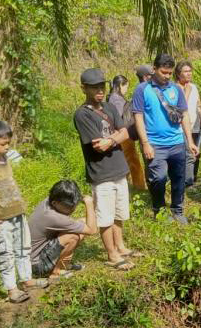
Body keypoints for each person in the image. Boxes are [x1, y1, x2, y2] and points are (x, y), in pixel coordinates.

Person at [0, 119, 47, 304]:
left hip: (17, 213)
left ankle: (26, 280)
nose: (7, 147)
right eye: (3, 144)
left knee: (23, 248)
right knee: (5, 253)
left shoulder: (4, 158)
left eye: (8, 143)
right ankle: (11, 288)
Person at [74, 68, 139, 270]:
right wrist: (115, 138)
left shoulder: (110, 107)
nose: (100, 90)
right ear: (84, 88)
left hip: (120, 167)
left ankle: (120, 247)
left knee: (120, 213)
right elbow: (97, 146)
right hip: (101, 172)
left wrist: (110, 139)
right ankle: (111, 254)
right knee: (105, 216)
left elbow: (125, 133)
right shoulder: (82, 114)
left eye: (102, 86)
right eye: (94, 87)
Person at [132, 54, 199, 223]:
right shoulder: (142, 90)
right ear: (154, 69)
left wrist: (190, 141)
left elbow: (184, 114)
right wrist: (145, 143)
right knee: (158, 178)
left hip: (177, 143)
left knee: (179, 178)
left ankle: (177, 210)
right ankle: (159, 210)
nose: (167, 76)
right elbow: (138, 117)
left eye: (170, 73)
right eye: (164, 72)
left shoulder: (175, 89)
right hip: (155, 144)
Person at [29, 180, 97, 280]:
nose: (72, 209)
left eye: (74, 205)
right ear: (55, 203)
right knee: (72, 237)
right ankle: (56, 272)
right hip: (37, 266)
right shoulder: (53, 217)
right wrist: (89, 203)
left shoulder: (49, 200)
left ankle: (64, 265)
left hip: (39, 255)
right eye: (68, 207)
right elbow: (92, 230)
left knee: (82, 223)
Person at [107, 74, 147, 190]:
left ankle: (128, 186)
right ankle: (139, 186)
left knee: (127, 161)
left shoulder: (111, 97)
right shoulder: (116, 99)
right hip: (123, 135)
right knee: (133, 161)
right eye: (126, 87)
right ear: (120, 85)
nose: (126, 90)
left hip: (121, 134)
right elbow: (118, 118)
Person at [175, 61, 201, 187]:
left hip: (196, 124)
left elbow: (198, 104)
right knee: (188, 155)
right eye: (185, 71)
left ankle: (193, 176)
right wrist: (186, 91)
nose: (189, 74)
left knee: (196, 152)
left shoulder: (194, 87)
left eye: (190, 71)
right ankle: (188, 182)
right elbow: (180, 108)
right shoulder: (174, 88)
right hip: (182, 127)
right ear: (178, 74)